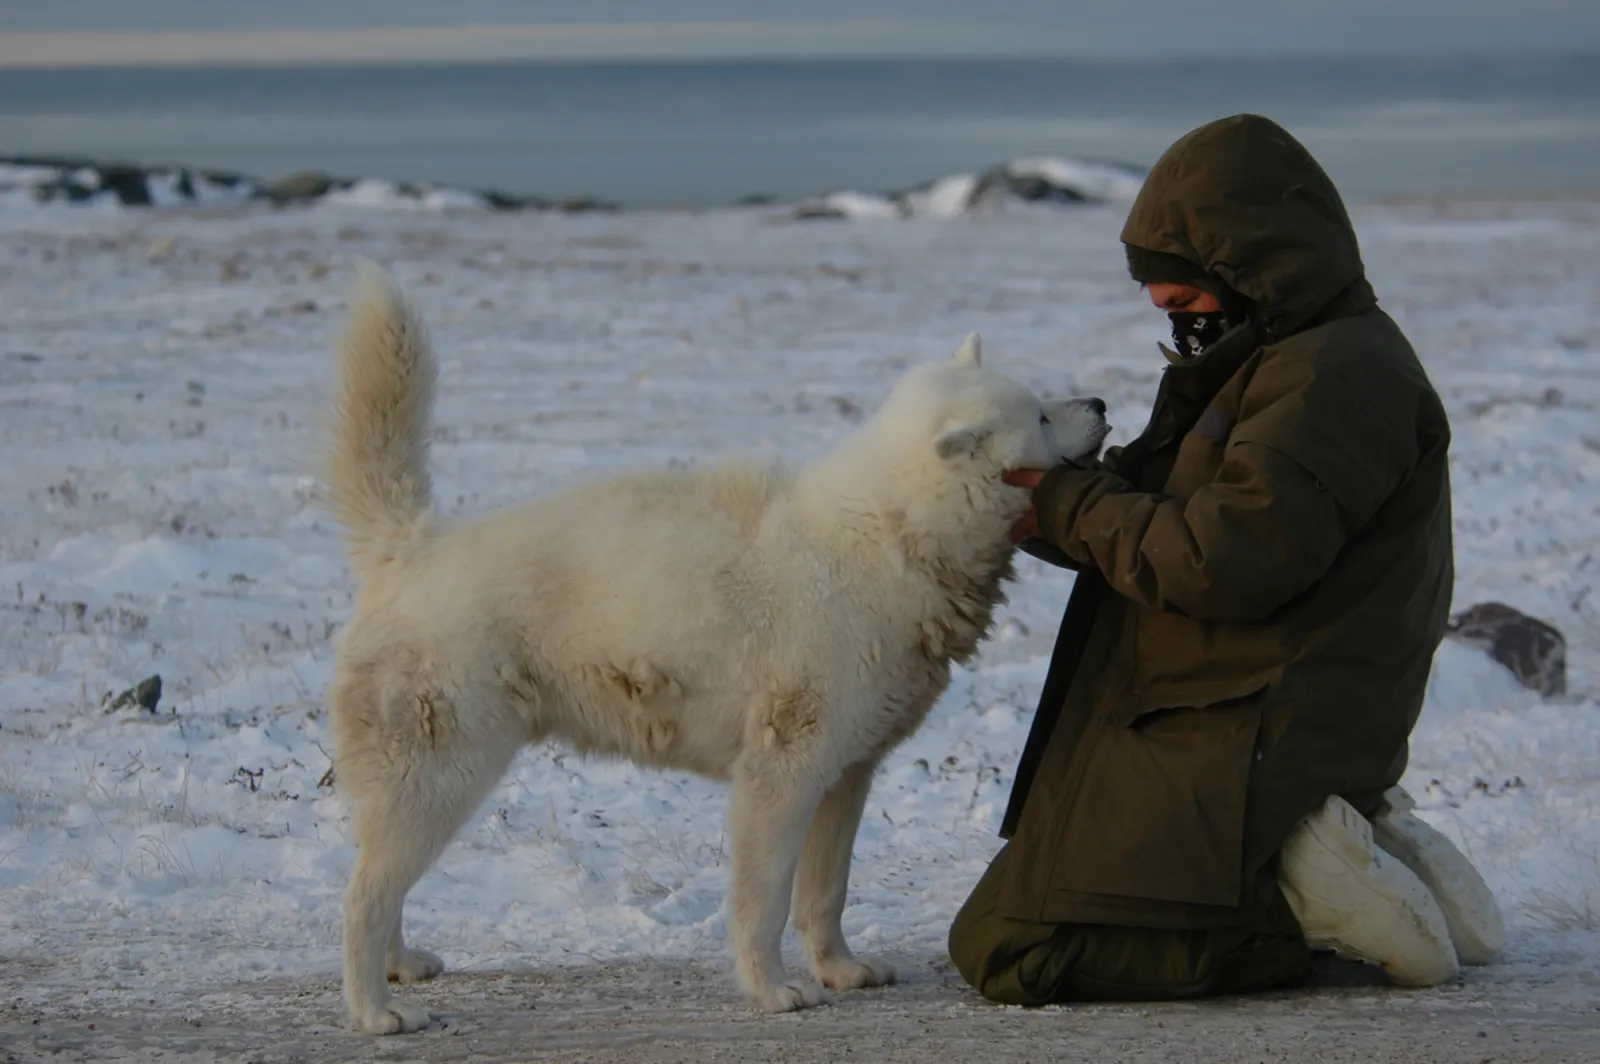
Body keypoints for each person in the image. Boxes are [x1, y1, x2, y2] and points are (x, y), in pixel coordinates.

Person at [947, 113, 1505, 1005]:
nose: (1178, 329)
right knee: (1029, 895)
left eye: (1184, 306)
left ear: (1248, 274)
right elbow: (1162, 505)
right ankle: (1352, 846)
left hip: (1251, 724)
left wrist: (1068, 504)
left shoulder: (1332, 379)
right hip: (1221, 710)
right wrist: (1030, 504)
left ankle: (1295, 898)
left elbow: (1222, 557)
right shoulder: (1276, 357)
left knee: (1014, 951)